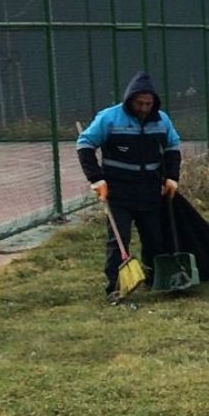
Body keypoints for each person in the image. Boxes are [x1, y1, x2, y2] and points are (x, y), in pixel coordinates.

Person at [77, 71, 182, 303]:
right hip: (118, 192)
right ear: (130, 100)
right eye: (139, 103)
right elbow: (85, 144)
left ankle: (156, 279)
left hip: (150, 191)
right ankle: (115, 286)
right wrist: (96, 179)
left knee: (154, 238)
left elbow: (173, 147)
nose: (144, 108)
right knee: (119, 240)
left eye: (148, 104)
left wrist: (172, 177)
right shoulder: (109, 118)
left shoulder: (162, 120)